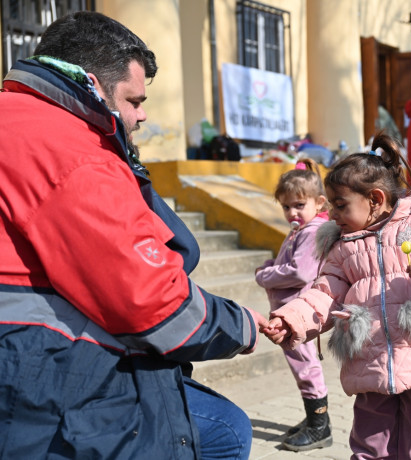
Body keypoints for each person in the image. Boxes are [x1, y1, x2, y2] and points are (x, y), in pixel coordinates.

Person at [0, 12, 268, 459]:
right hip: (34, 371)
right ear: (92, 83)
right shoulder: (70, 149)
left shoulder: (18, 117)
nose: (142, 116)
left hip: (25, 357)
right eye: (134, 100)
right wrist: (243, 326)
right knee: (226, 431)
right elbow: (148, 300)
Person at [263, 132, 411, 459]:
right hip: (371, 363)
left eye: (340, 205)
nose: (332, 215)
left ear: (376, 199)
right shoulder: (342, 249)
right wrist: (291, 320)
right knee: (369, 446)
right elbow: (323, 295)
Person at [255, 158, 332, 452]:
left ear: (319, 203)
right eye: (286, 206)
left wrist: (264, 275)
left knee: (305, 367)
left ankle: (319, 427)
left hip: (296, 314)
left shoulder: (312, 232)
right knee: (301, 365)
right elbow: (286, 263)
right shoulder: (299, 229)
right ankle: (313, 418)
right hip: (288, 311)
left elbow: (300, 272)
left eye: (299, 205)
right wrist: (272, 266)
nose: (292, 212)